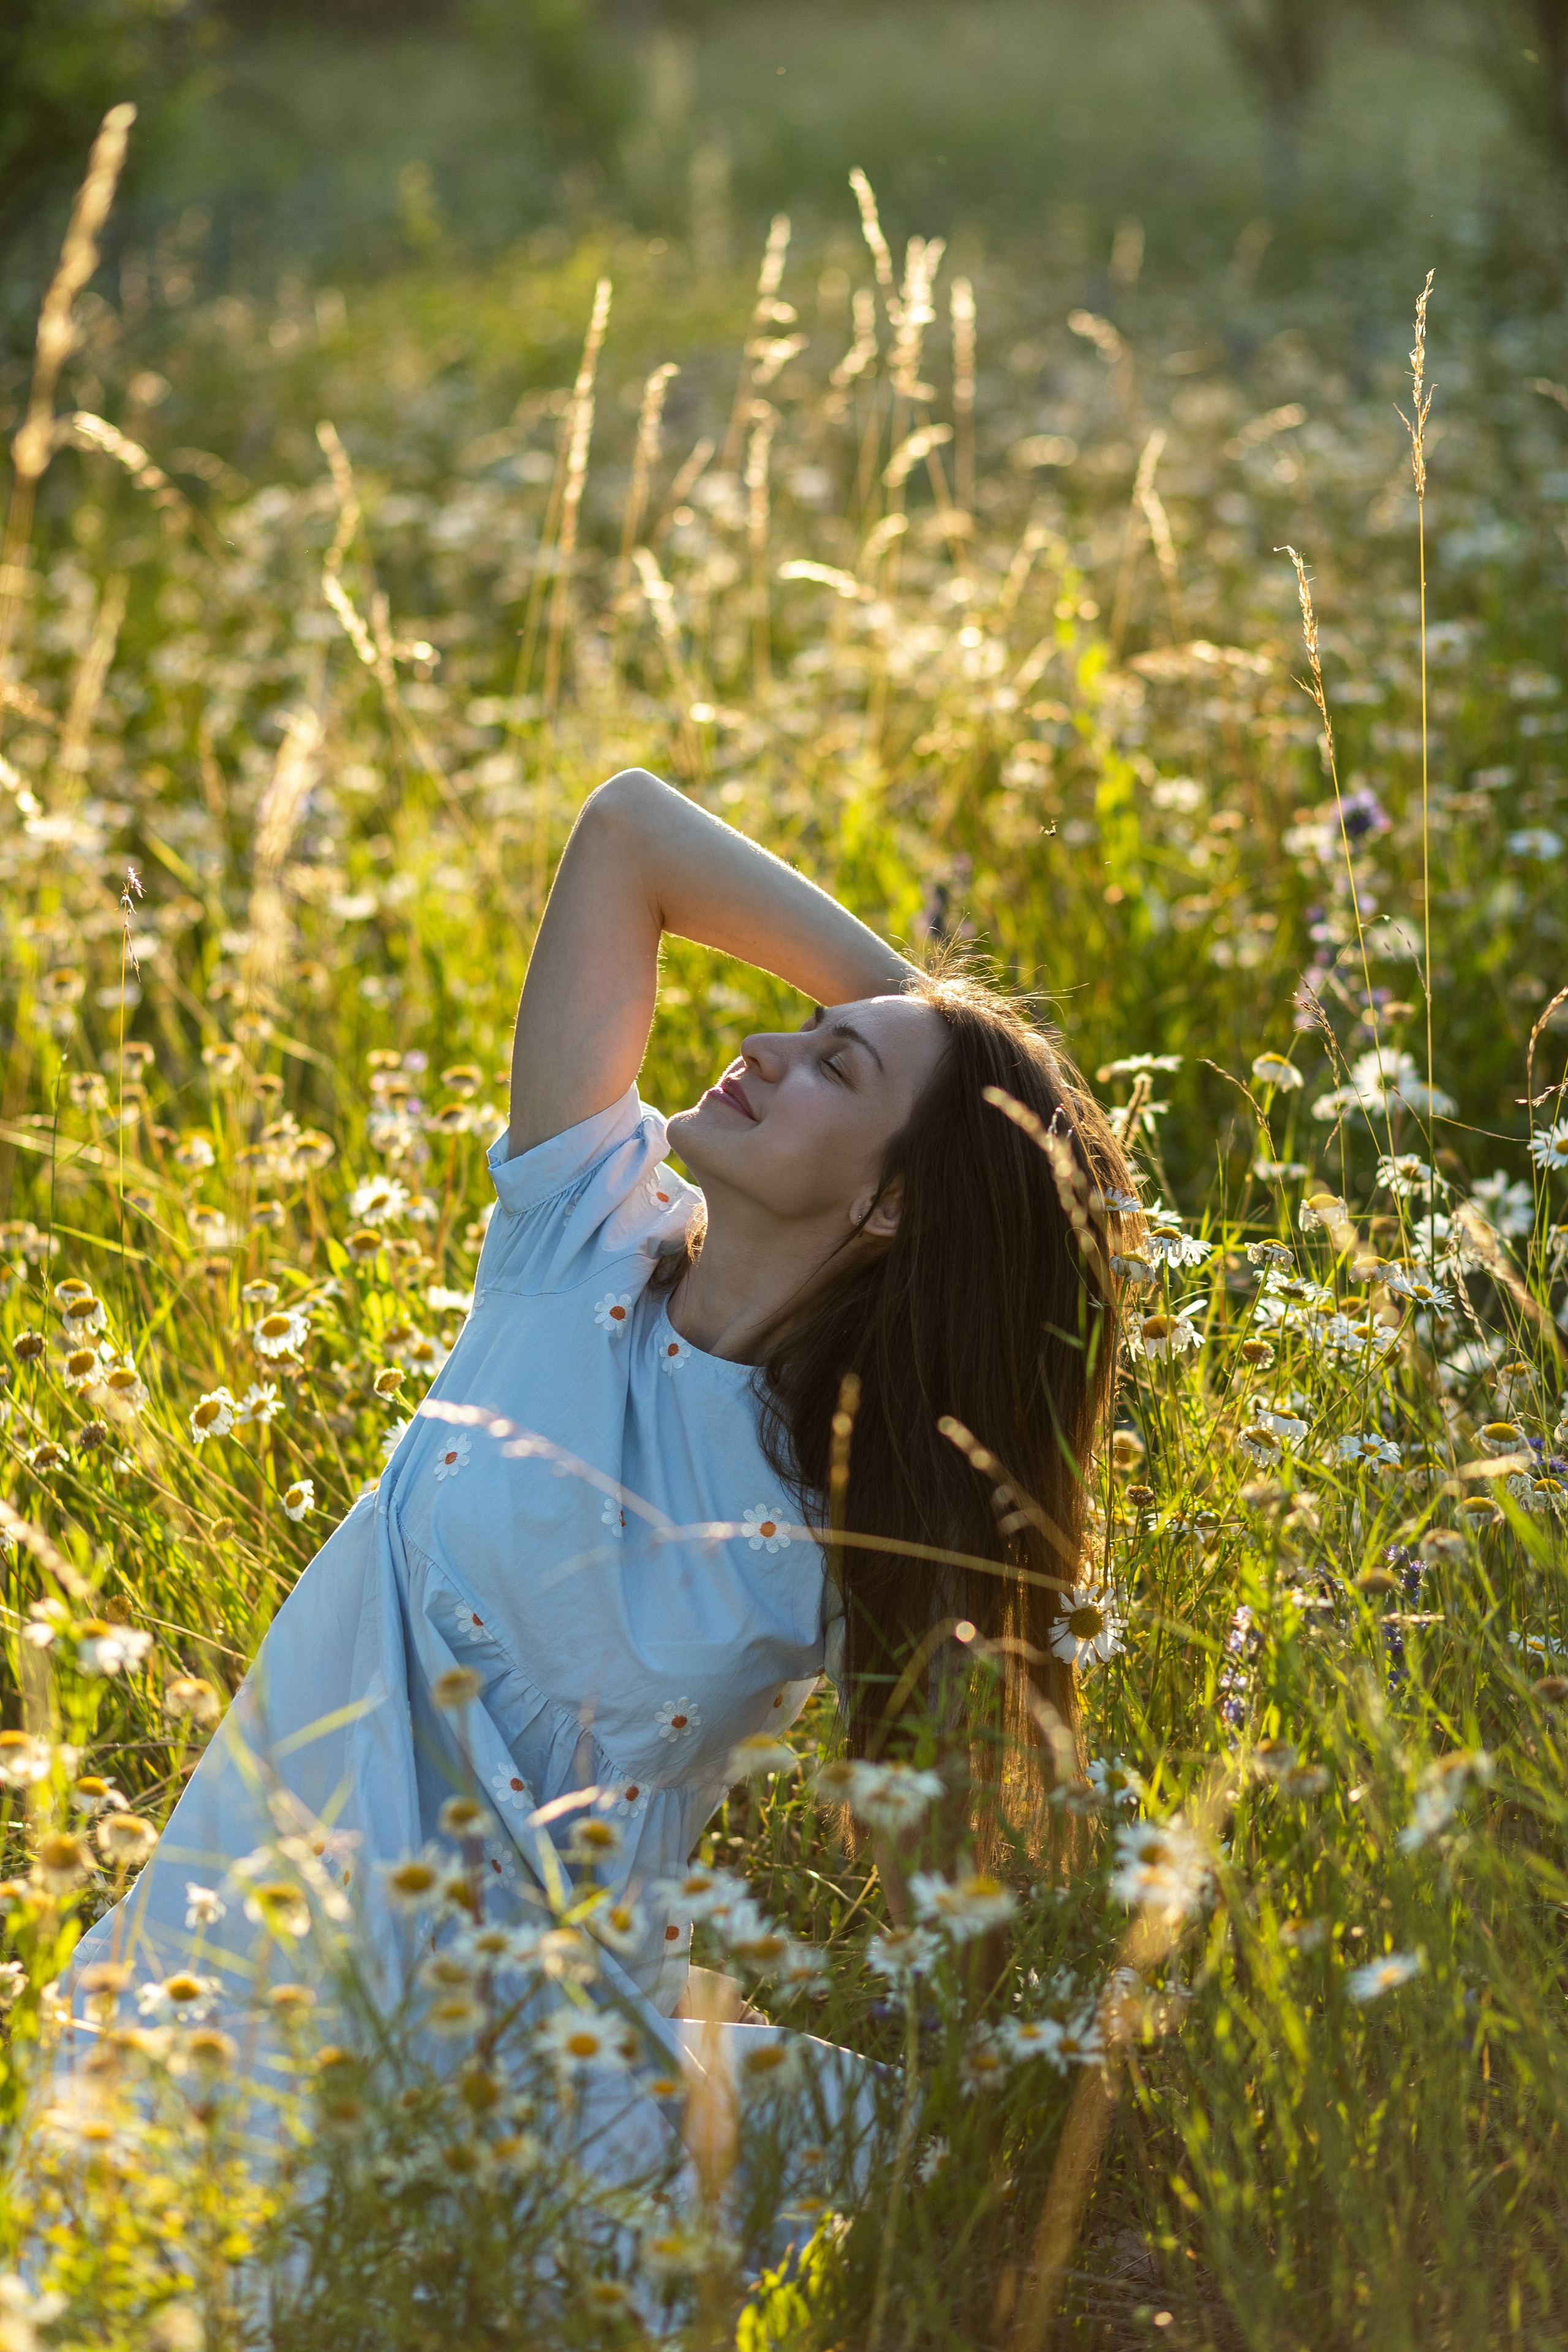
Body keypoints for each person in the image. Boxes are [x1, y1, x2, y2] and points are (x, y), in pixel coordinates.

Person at [64, 767, 1134, 2113]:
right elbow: (629, 828)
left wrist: (970, 1126)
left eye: (832, 1065)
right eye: (806, 1028)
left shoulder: (862, 1491)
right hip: (228, 1969)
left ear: (890, 1209)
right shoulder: (577, 1238)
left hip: (540, 2069)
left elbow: (960, 1854)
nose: (765, 1048)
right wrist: (952, 1051)